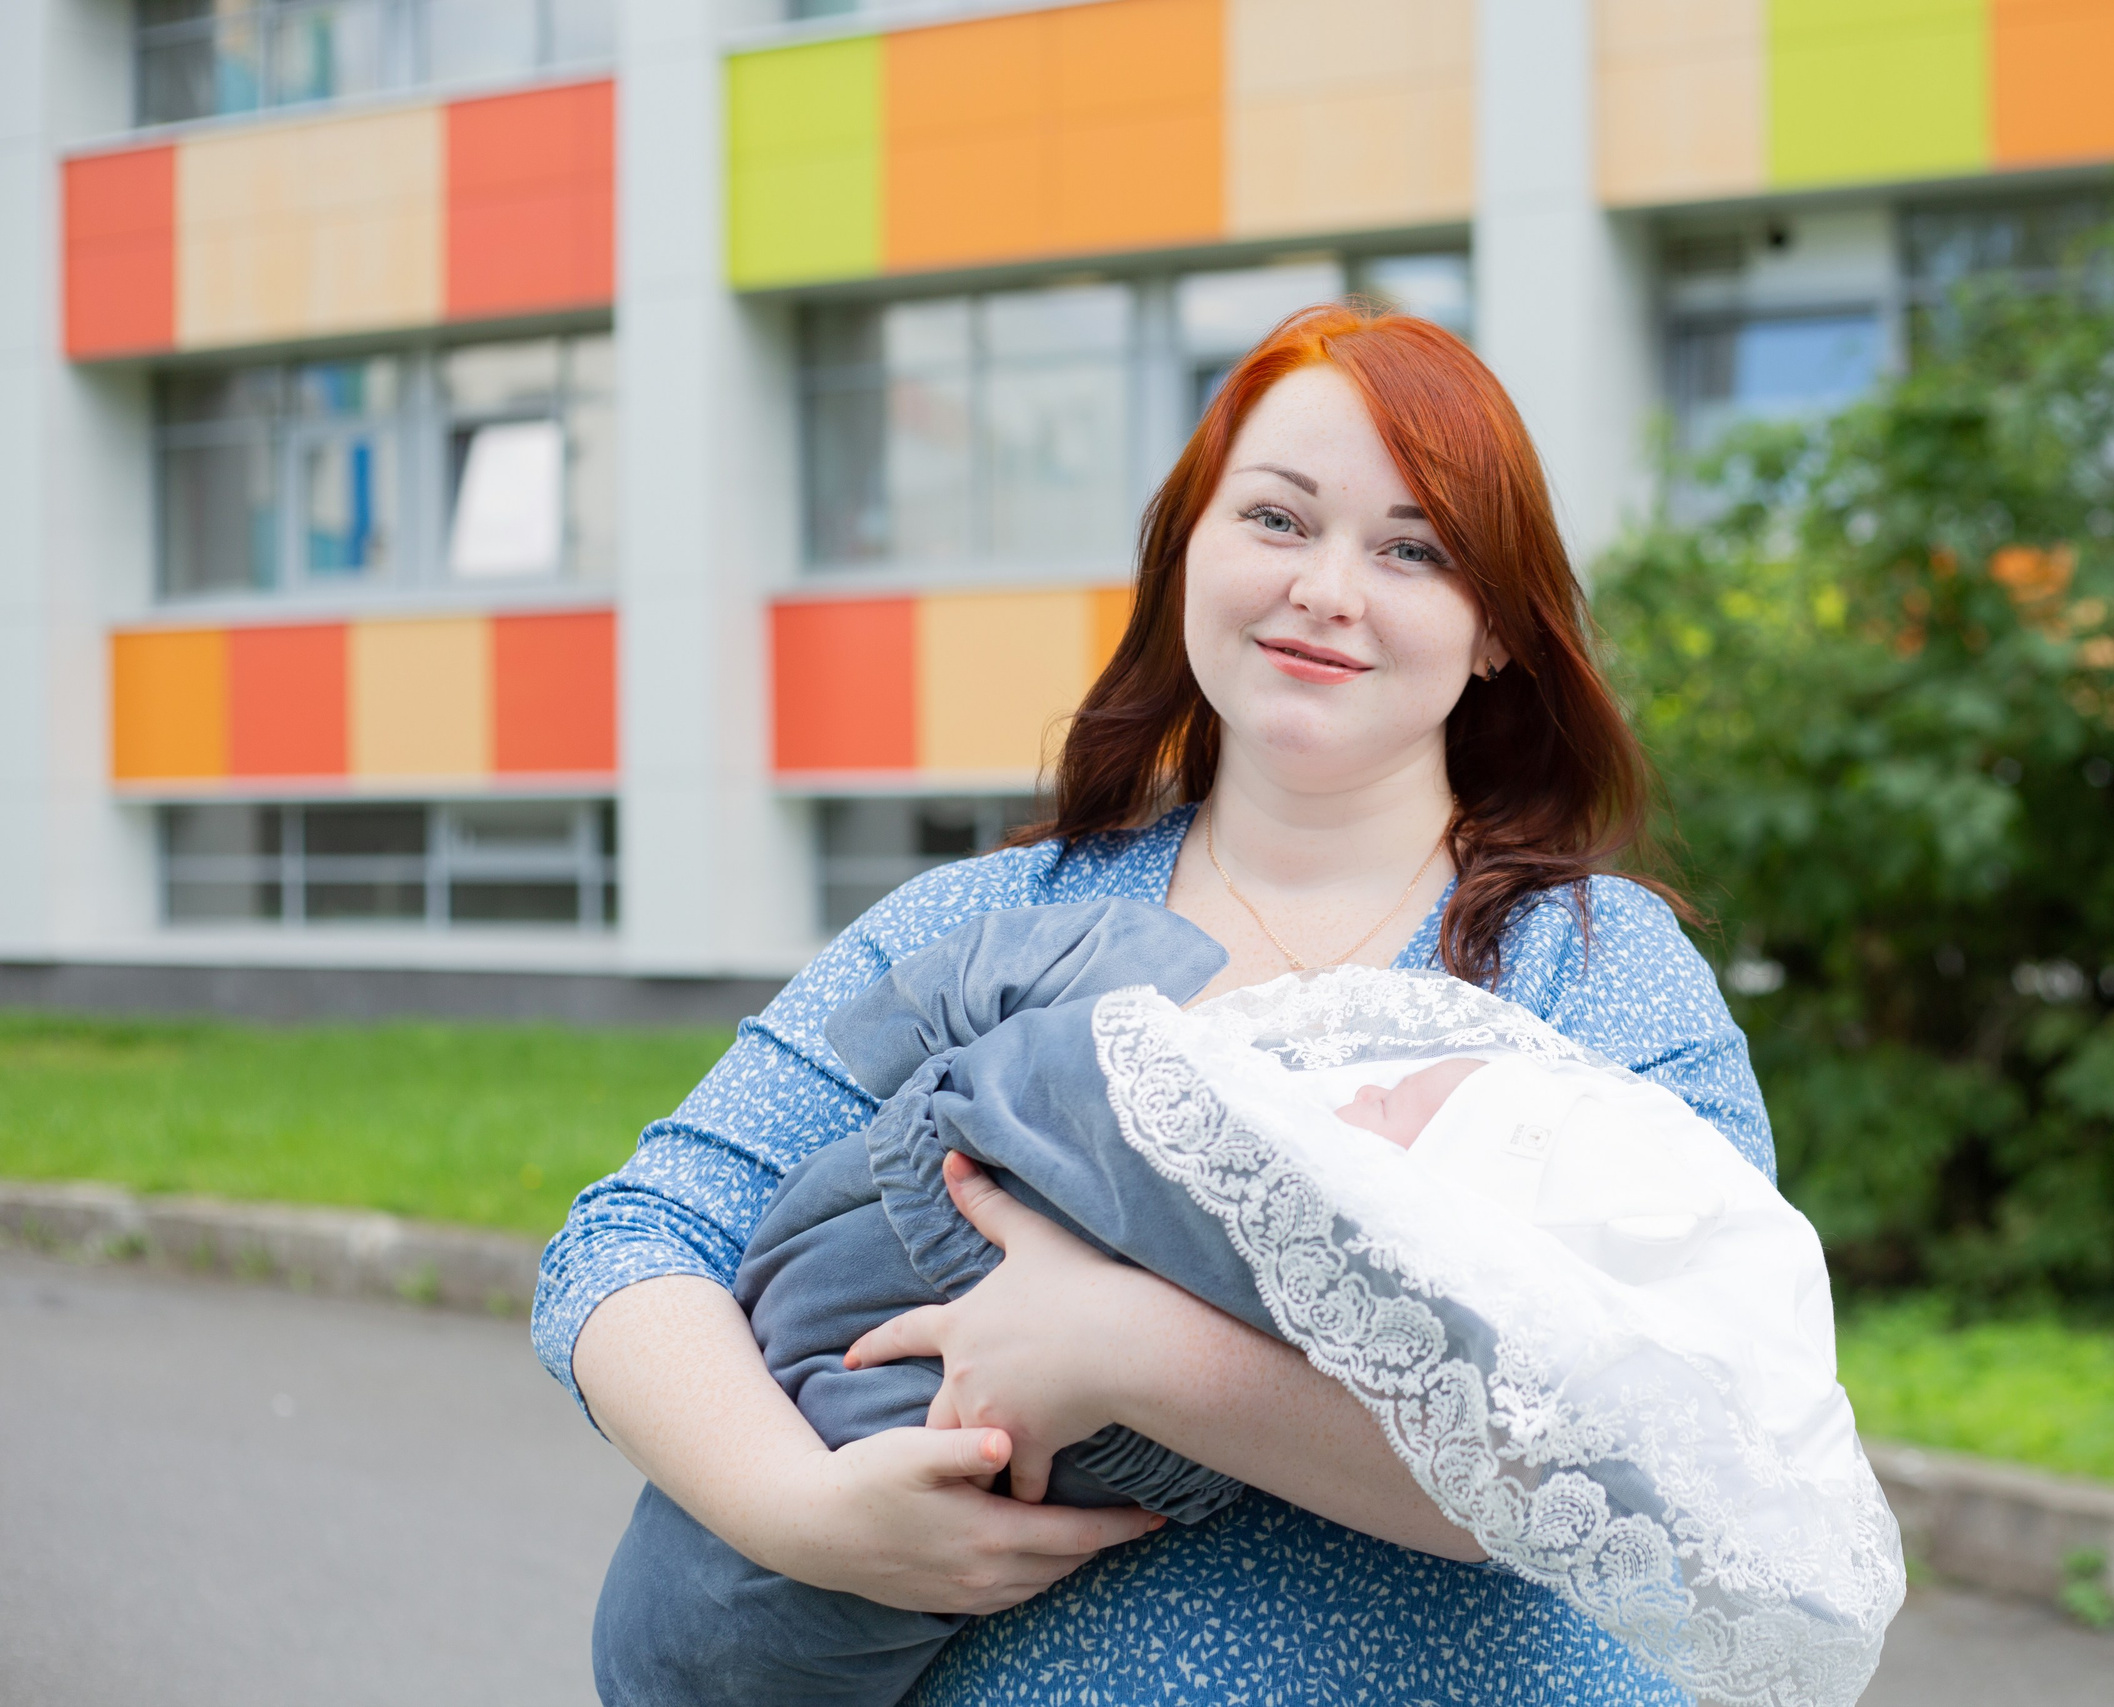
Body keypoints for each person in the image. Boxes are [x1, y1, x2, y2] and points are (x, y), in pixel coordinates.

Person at [535, 302, 1780, 1704]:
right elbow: (632, 1240)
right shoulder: (992, 925)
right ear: (1188, 551)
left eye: (1413, 549)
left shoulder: (1593, 976)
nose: (1327, 588)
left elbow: (1684, 1460)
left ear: (1495, 629)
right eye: (1276, 519)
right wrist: (805, 1516)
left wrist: (1123, 1349)